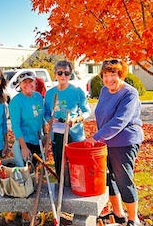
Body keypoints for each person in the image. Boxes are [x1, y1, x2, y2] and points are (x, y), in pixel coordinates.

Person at [84, 59, 144, 226]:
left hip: (124, 141)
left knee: (123, 179)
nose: (109, 79)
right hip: (105, 142)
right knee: (108, 178)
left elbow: (120, 121)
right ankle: (118, 214)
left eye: (113, 75)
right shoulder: (104, 90)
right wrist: (99, 137)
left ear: (121, 75)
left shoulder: (129, 94)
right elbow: (102, 115)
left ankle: (134, 219)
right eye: (105, 75)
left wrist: (96, 137)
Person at [44, 60, 91, 176]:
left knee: (77, 167)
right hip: (57, 135)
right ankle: (64, 188)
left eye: (66, 73)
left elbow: (87, 112)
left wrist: (75, 120)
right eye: (60, 73)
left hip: (75, 135)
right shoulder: (49, 93)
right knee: (60, 166)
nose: (63, 76)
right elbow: (45, 113)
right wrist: (50, 121)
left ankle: (77, 190)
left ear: (70, 74)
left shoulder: (77, 92)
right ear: (55, 74)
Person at [9, 70, 46, 167]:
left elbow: (41, 118)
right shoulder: (16, 101)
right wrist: (24, 147)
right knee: (26, 176)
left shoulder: (38, 97)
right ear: (20, 84)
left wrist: (45, 134)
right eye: (24, 82)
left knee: (36, 173)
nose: (28, 84)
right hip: (24, 142)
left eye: (30, 81)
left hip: (38, 141)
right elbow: (15, 126)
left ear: (35, 83)